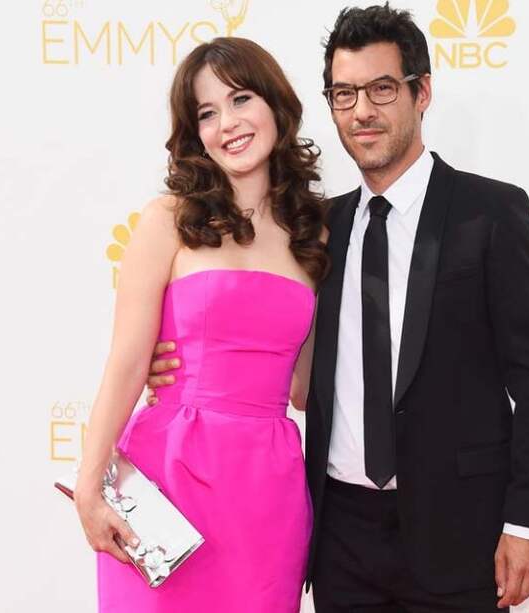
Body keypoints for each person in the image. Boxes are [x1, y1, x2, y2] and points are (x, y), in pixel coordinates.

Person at [148, 5, 529, 612]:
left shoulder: (490, 213)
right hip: (339, 536)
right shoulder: (316, 229)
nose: (362, 111)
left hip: (460, 531)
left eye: (380, 89)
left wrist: (527, 521)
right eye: (343, 94)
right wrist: (187, 369)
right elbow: (286, 361)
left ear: (421, 92)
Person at [73, 37, 328, 612]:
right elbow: (128, 362)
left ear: (276, 105)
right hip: (168, 478)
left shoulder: (315, 234)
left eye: (240, 99)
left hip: (269, 491)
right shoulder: (169, 219)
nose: (228, 124)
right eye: (207, 113)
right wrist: (89, 484)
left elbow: (306, 386)